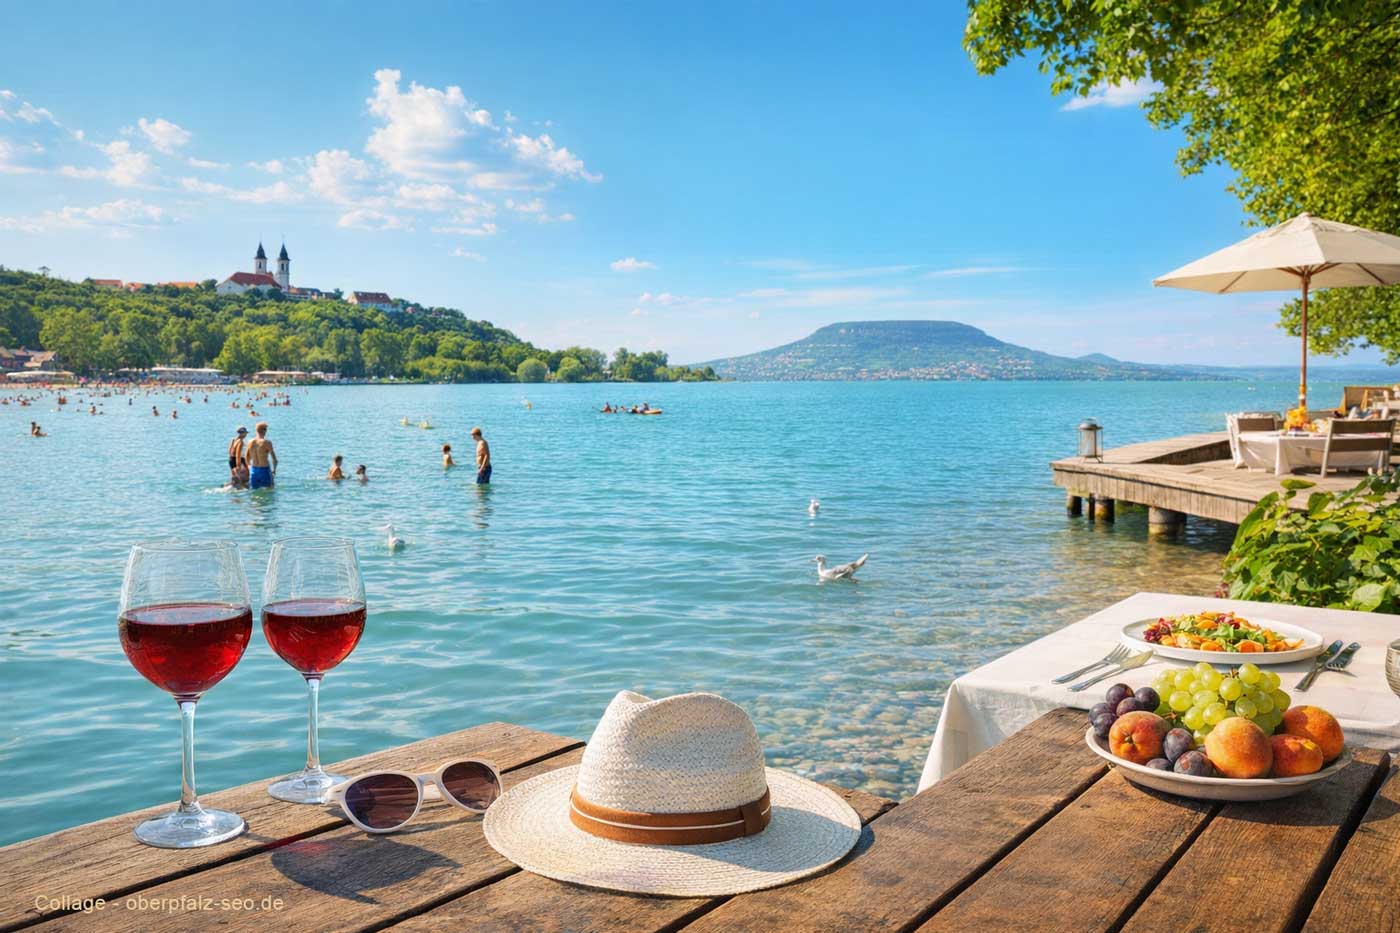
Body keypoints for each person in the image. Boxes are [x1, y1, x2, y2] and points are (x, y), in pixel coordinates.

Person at [246, 422, 277, 489]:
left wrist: (249, 467)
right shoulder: (267, 442)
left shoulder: (250, 442)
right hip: (264, 469)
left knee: (254, 491)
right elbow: (274, 459)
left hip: (253, 470)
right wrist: (274, 470)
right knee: (269, 489)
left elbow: (247, 457)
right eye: (266, 429)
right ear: (264, 430)